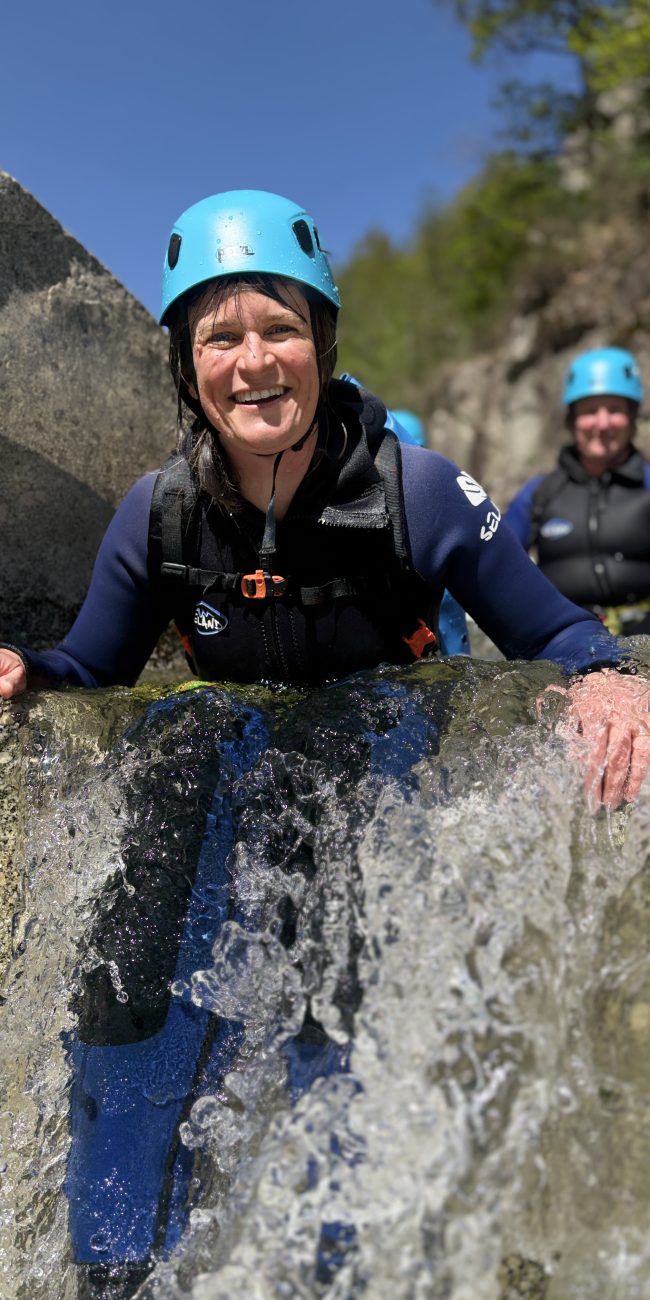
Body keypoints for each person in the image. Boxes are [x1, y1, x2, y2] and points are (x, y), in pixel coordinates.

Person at [1, 190, 650, 1292]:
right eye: (220, 336)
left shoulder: (421, 492)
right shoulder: (156, 517)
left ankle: (335, 1262)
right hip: (237, 761)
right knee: (168, 762)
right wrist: (23, 673)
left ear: (323, 342)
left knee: (345, 803)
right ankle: (116, 1259)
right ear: (182, 364)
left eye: (280, 327)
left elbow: (557, 632)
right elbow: (86, 674)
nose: (254, 361)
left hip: (378, 747)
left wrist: (608, 680)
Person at [505, 347, 650, 636]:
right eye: (590, 411)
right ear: (572, 420)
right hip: (568, 648)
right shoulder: (540, 494)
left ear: (632, 418)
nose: (603, 423)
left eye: (615, 410)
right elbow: (498, 567)